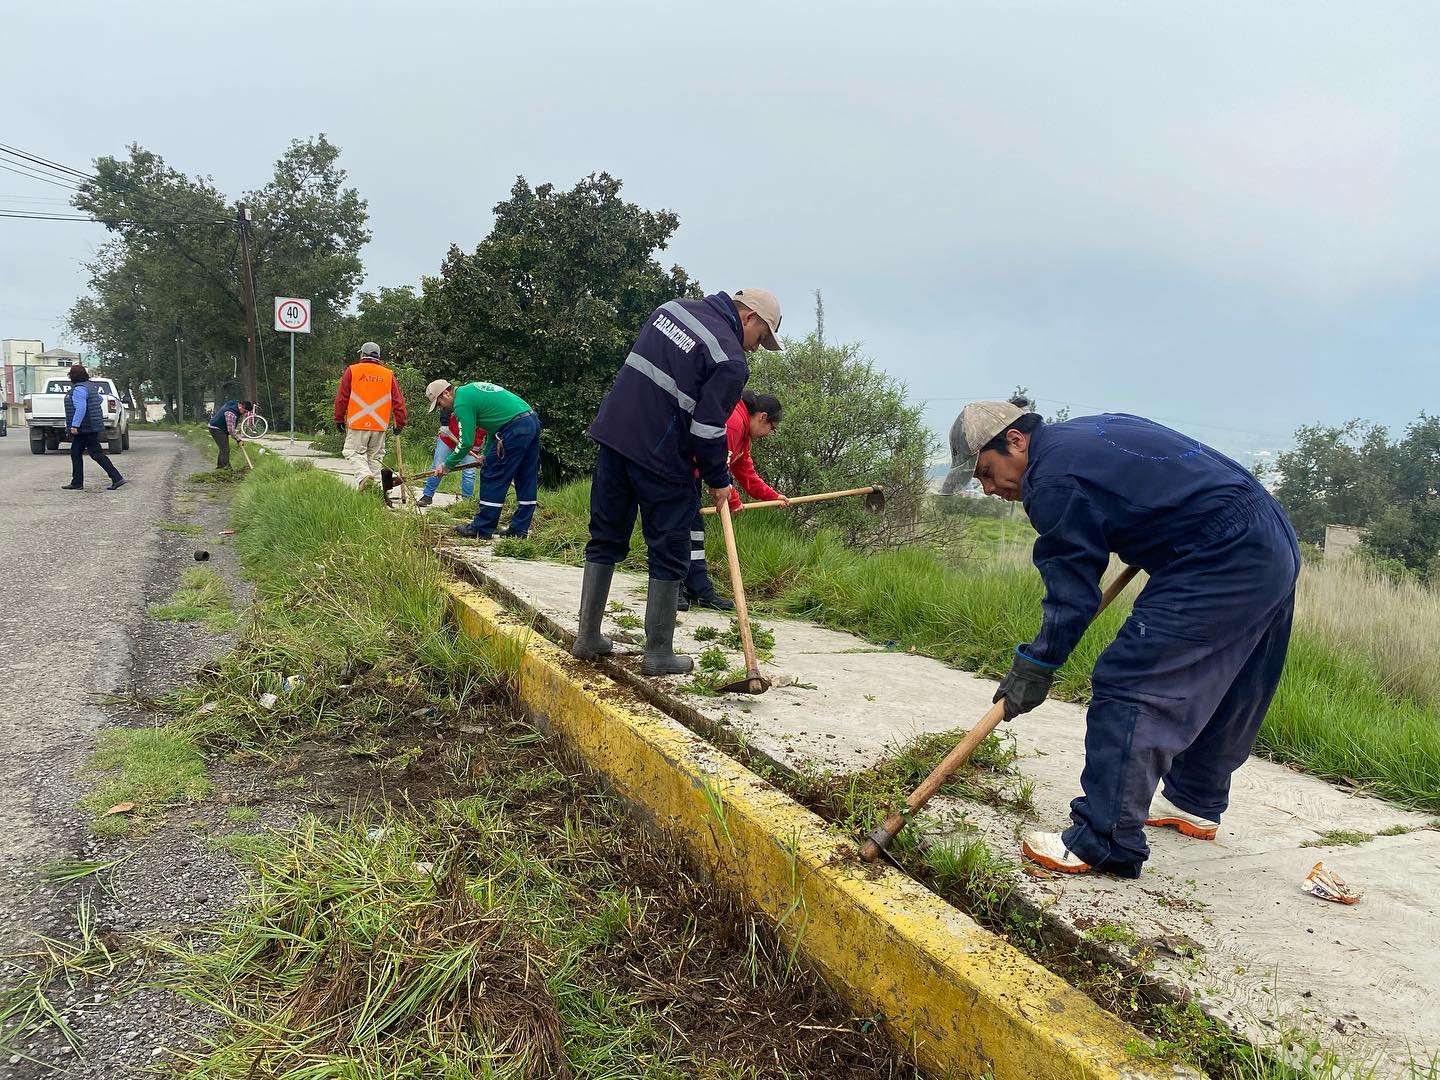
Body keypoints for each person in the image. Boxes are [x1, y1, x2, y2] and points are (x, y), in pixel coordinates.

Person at [940, 401, 1300, 879]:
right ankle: (1193, 799)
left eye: (986, 472)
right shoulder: (1089, 432)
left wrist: (1038, 665)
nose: (987, 489)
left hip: (1221, 551)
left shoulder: (1051, 480)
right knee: (1233, 679)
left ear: (1016, 440)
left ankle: (1103, 839)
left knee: (1132, 679)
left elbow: (1071, 593)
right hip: (1268, 535)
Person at [572, 287, 783, 676]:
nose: (755, 347)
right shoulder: (730, 358)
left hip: (615, 438)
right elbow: (706, 429)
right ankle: (658, 654)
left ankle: (587, 637)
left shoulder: (669, 310)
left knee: (604, 536)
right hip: (663, 459)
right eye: (760, 337)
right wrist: (719, 481)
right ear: (749, 317)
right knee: (669, 549)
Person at [680, 389, 789, 611]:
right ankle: (672, 588)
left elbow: (746, 473)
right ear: (762, 417)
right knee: (679, 530)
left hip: (691, 478)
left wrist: (773, 496)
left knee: (695, 530)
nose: (769, 433)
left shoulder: (743, 436)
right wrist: (733, 500)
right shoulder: (733, 423)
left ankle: (697, 588)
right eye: (772, 428)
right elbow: (717, 465)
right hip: (678, 472)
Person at [425, 379, 539, 538]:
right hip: (530, 420)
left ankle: (482, 528)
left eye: (439, 403)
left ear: (446, 393)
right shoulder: (471, 391)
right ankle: (519, 530)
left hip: (514, 428)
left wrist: (446, 465)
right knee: (525, 475)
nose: (441, 408)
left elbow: (465, 443)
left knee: (493, 473)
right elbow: (495, 424)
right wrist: (485, 452)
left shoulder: (461, 403)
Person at [333, 342, 407, 490]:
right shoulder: (388, 374)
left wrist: (339, 418)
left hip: (358, 423)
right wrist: (400, 422)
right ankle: (377, 494)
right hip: (379, 425)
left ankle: (364, 476)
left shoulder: (352, 371)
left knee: (352, 452)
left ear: (362, 354)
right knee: (375, 459)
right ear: (378, 356)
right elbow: (398, 400)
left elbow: (342, 398)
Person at [60, 364, 125, 491]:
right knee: (77, 452)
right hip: (91, 425)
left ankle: (116, 478)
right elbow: (99, 399)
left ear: (72, 376)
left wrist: (75, 425)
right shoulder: (90, 387)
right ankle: (77, 482)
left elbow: (80, 408)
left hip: (85, 427)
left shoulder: (79, 389)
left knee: (95, 453)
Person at [417, 404, 485, 507]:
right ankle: (427, 496)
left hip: (470, 447)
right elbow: (445, 405)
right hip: (448, 439)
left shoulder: (484, 426)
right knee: (437, 467)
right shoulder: (461, 411)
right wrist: (444, 425)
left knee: (469, 473)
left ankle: (466, 503)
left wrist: (484, 455)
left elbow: (488, 440)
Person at [207, 398, 254, 469]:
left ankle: (220, 467)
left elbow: (231, 428)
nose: (243, 413)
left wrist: (237, 436)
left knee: (223, 448)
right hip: (216, 428)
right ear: (241, 406)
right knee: (225, 449)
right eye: (244, 411)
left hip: (221, 428)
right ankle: (225, 468)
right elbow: (231, 431)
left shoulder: (235, 403)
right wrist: (238, 440)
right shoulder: (231, 413)